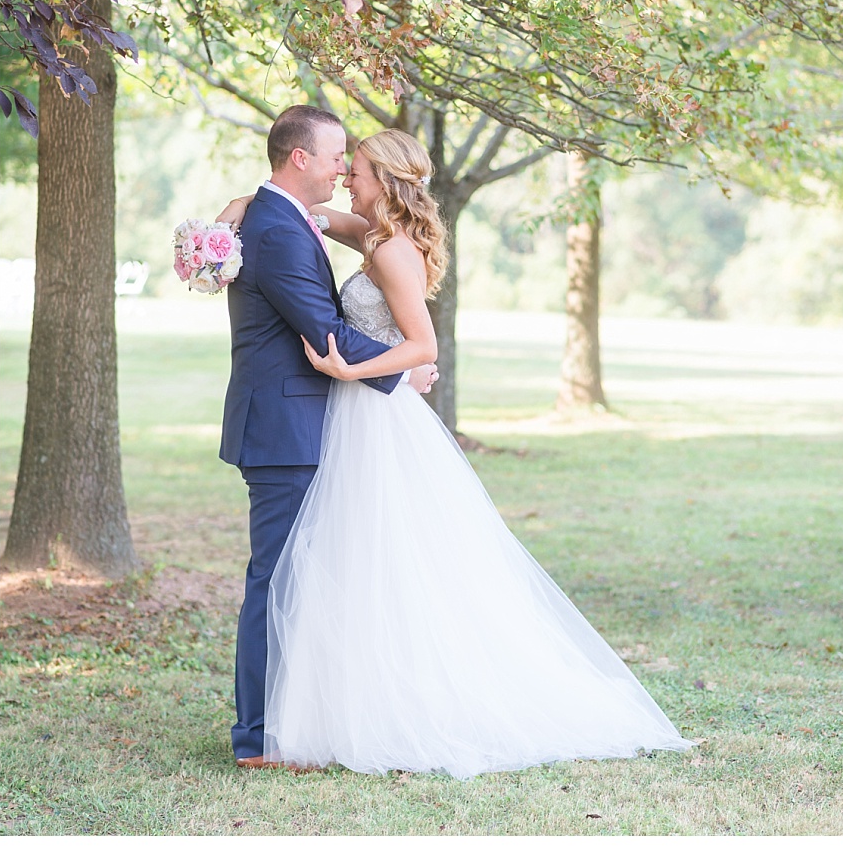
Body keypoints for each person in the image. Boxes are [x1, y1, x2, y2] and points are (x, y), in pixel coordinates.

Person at [223, 122, 692, 776]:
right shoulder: (369, 233)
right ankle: (309, 719)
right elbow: (315, 217)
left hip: (366, 414)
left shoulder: (391, 250)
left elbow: (420, 345)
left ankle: (308, 724)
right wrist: (245, 204)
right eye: (340, 162)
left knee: (378, 567)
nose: (345, 175)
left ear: (384, 181)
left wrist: (365, 370)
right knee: (348, 569)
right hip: (344, 419)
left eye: (355, 169)